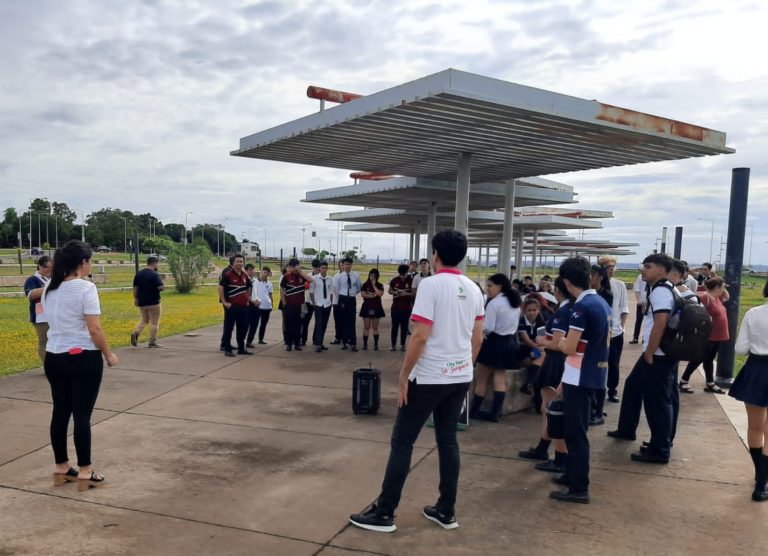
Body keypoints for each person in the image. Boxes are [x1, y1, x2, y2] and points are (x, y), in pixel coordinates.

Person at [349, 229, 484, 533]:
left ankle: (384, 512)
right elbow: (478, 338)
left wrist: (404, 374)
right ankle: (446, 510)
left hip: (430, 376)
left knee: (403, 440)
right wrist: (464, 366)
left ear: (435, 255)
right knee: (447, 440)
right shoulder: (474, 288)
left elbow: (420, 335)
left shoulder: (431, 286)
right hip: (459, 375)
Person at [41, 240, 119, 491]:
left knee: (60, 412)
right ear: (82, 263)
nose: (91, 265)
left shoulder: (48, 289)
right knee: (82, 414)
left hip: (54, 357)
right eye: (90, 260)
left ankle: (62, 467)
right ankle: (85, 470)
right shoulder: (86, 288)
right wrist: (108, 354)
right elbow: (94, 328)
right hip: (82, 356)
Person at [550, 256, 610, 504]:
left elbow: (569, 346)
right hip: (589, 374)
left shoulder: (581, 307)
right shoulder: (599, 302)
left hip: (581, 377)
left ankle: (579, 487)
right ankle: (571, 475)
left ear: (566, 280)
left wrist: (560, 343)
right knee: (576, 430)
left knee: (576, 434)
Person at [609, 254, 676, 464]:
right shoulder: (660, 288)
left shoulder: (661, 292)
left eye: (648, 266)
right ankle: (627, 429)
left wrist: (649, 352)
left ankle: (660, 449)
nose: (643, 270)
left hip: (657, 355)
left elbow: (660, 323)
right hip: (656, 353)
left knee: (657, 403)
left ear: (662, 270)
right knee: (632, 386)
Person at [518, 277, 571, 471]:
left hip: (555, 363)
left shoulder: (563, 312)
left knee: (551, 409)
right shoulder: (572, 308)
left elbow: (558, 344)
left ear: (558, 291)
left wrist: (544, 342)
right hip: (556, 362)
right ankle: (544, 447)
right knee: (547, 408)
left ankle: (558, 455)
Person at [728, 279, 768, 501]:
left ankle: (760, 477)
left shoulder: (753, 313)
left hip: (756, 369)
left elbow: (741, 348)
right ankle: (762, 484)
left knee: (755, 427)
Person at [469, 273, 522, 422]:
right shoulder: (515, 303)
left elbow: (488, 328)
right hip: (508, 343)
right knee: (499, 379)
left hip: (493, 343)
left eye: (490, 286)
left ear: (500, 286)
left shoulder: (494, 303)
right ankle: (495, 413)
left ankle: (474, 411)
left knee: (481, 380)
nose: (487, 289)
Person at [679, 277, 730, 394]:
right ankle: (684, 380)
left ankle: (710, 382)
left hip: (719, 335)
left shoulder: (718, 298)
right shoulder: (705, 298)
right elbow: (694, 309)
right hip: (709, 335)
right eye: (721, 287)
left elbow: (727, 296)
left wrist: (723, 285)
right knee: (699, 357)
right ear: (717, 288)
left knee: (709, 359)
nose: (723, 289)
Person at [598, 256, 630, 406]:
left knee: (614, 364)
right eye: (607, 267)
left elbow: (624, 308)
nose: (610, 269)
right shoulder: (596, 286)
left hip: (616, 332)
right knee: (600, 363)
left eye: (612, 267)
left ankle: (613, 390)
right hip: (600, 332)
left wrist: (621, 327)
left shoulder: (620, 285)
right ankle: (599, 391)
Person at [218, 254, 252, 357]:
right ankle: (227, 349)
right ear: (233, 263)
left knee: (243, 327)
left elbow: (249, 287)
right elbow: (220, 288)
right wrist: (224, 302)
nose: (240, 263)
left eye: (241, 261)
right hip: (232, 306)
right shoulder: (228, 275)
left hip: (243, 307)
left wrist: (248, 299)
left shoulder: (245, 275)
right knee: (229, 328)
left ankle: (241, 348)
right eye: (237, 261)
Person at [130, 255, 165, 348]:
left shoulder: (139, 274)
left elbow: (135, 288)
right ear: (154, 263)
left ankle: (136, 333)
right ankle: (152, 342)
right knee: (154, 322)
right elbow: (161, 287)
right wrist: (163, 286)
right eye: (157, 264)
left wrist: (136, 299)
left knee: (144, 320)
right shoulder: (154, 275)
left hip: (142, 302)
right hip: (154, 302)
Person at [24, 255, 52, 363]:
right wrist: (48, 287)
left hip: (52, 314)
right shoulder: (32, 279)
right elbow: (30, 294)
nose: (49, 269)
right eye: (46, 267)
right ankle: (48, 365)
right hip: (40, 316)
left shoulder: (50, 279)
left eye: (51, 267)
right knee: (44, 341)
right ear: (39, 266)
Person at [280, 258, 311, 352]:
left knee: (299, 325)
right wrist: (284, 303)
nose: (294, 268)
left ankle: (297, 343)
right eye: (292, 267)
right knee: (289, 324)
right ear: (290, 267)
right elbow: (282, 290)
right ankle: (289, 344)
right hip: (289, 305)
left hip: (300, 305)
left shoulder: (302, 276)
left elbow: (311, 281)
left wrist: (301, 271)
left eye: (296, 266)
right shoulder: (286, 276)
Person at [518, 297, 546, 399]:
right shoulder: (521, 322)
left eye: (534, 310)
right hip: (522, 353)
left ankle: (529, 384)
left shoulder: (541, 323)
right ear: (524, 310)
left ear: (538, 310)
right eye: (529, 310)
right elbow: (527, 341)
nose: (532, 313)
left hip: (534, 353)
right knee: (543, 356)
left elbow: (542, 340)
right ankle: (529, 385)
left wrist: (541, 347)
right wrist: (541, 348)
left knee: (542, 359)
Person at [332, 257, 362, 351]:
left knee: (352, 321)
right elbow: (336, 289)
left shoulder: (356, 275)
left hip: (351, 299)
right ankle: (344, 342)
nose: (347, 266)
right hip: (342, 298)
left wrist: (352, 294)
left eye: (349, 264)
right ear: (343, 265)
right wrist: (342, 298)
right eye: (345, 264)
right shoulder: (339, 276)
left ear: (351, 265)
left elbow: (358, 287)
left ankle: (353, 343)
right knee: (343, 321)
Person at [389, 264, 414, 351]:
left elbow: (414, 293)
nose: (403, 277)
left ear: (407, 272)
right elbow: (390, 290)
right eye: (401, 275)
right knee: (394, 327)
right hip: (395, 308)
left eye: (404, 274)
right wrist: (395, 293)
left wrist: (406, 294)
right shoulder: (394, 280)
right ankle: (393, 345)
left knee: (404, 327)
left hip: (406, 308)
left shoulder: (411, 281)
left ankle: (403, 345)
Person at [247, 266, 273, 347]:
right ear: (261, 272)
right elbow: (249, 293)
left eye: (267, 273)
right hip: (257, 307)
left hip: (267, 307)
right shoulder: (254, 282)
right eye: (264, 272)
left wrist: (272, 304)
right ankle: (249, 341)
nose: (265, 274)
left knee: (263, 324)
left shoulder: (269, 283)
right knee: (254, 325)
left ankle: (261, 339)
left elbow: (270, 295)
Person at [310, 261, 333, 352]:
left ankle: (320, 342)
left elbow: (331, 292)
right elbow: (311, 291)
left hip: (327, 304)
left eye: (325, 268)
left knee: (324, 324)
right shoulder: (314, 278)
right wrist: (313, 303)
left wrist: (330, 303)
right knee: (319, 324)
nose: (324, 269)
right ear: (319, 268)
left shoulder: (330, 279)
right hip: (318, 304)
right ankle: (318, 344)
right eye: (322, 268)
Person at [360, 268, 385, 350]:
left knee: (375, 327)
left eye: (374, 276)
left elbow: (380, 294)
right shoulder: (365, 284)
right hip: (367, 307)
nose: (372, 278)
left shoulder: (380, 285)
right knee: (366, 327)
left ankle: (375, 344)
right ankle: (365, 344)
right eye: (371, 276)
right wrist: (371, 296)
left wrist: (374, 285)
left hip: (376, 307)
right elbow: (363, 294)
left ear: (377, 277)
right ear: (369, 275)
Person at [300, 259, 320, 347]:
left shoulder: (321, 276)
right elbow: (303, 287)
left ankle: (315, 340)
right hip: (308, 301)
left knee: (318, 322)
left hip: (318, 302)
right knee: (305, 322)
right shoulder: (308, 276)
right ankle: (303, 340)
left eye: (318, 268)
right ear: (313, 267)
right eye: (316, 268)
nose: (317, 269)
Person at [630, 267, 646, 344]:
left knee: (647, 321)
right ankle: (635, 337)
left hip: (649, 302)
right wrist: (638, 300)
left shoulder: (653, 278)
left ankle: (645, 337)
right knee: (639, 320)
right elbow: (637, 289)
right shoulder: (640, 277)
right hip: (641, 302)